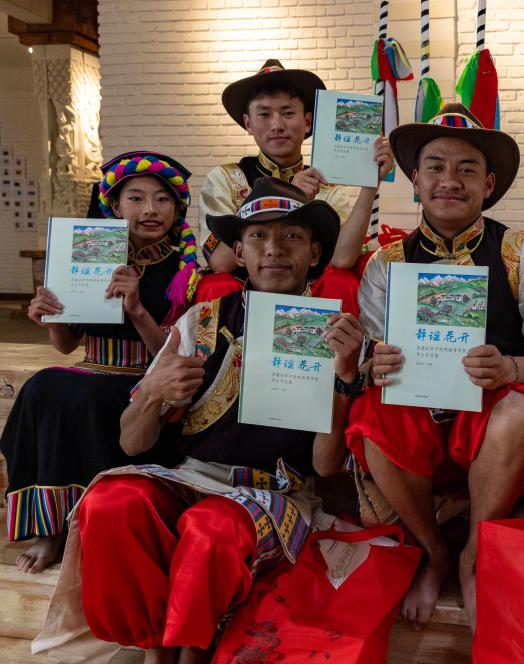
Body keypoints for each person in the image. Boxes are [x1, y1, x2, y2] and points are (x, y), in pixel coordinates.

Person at [32, 178, 366, 664]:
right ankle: (154, 647)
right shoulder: (201, 321)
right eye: (258, 236)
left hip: (272, 493)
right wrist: (153, 393)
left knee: (210, 529)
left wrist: (343, 381)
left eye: (291, 236)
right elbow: (131, 443)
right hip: (190, 477)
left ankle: (187, 655)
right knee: (109, 502)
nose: (274, 249)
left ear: (314, 253)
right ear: (239, 252)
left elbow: (325, 466)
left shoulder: (336, 335)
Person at [346, 103, 524, 631]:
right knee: (373, 410)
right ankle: (433, 551)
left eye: (466, 169)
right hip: (421, 429)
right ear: (415, 180)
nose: (449, 181)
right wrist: (376, 362)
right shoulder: (388, 263)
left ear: (488, 184)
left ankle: (474, 554)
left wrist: (511, 370)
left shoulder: (520, 252)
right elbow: (370, 365)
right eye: (435, 167)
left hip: (494, 425)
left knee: (516, 411)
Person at [0, 151, 198, 574]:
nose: (150, 209)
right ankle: (52, 528)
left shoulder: (185, 270)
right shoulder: (89, 255)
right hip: (91, 367)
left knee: (82, 395)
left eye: (162, 199)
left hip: (148, 379)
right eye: (136, 198)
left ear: (177, 208)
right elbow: (66, 347)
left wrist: (137, 308)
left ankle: (92, 523)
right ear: (116, 206)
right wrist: (52, 317)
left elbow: (175, 354)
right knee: (42, 387)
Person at [196, 59, 393, 302]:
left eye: (288, 113)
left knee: (341, 282)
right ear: (248, 123)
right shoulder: (226, 178)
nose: (277, 125)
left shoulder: (325, 184)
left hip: (308, 302)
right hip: (243, 301)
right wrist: (289, 194)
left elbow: (341, 259)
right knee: (216, 286)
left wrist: (370, 183)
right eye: (264, 114)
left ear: (308, 121)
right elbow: (220, 262)